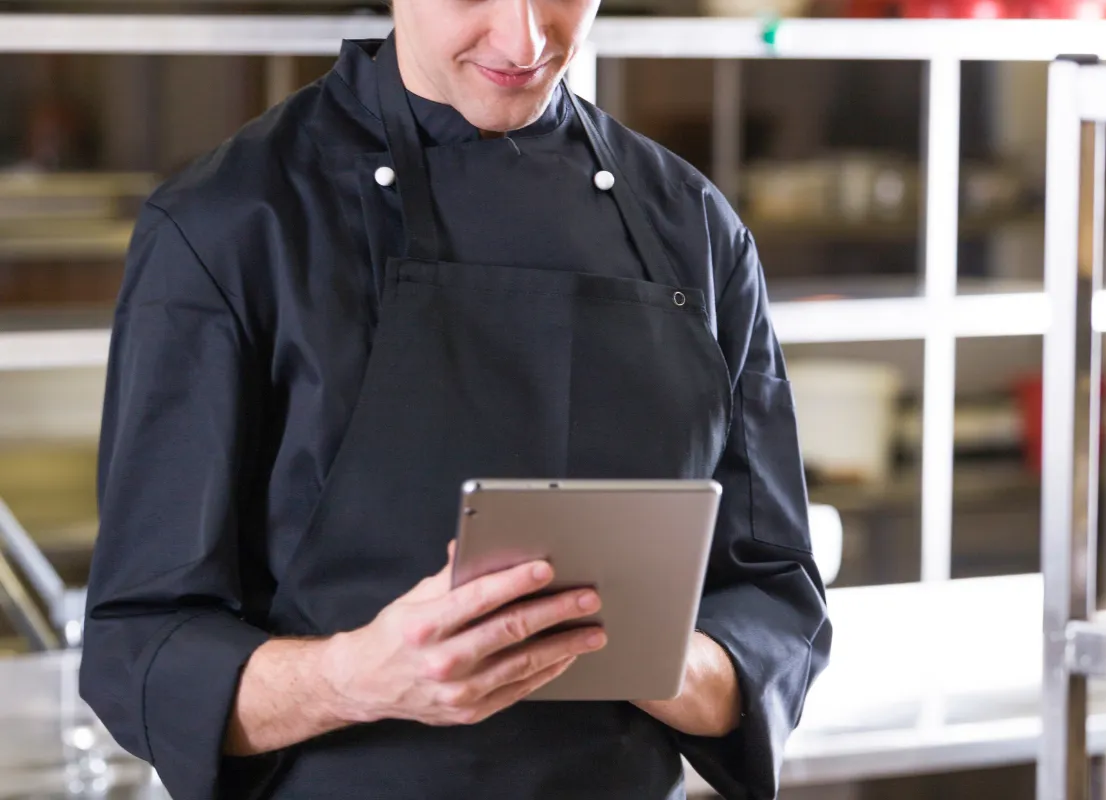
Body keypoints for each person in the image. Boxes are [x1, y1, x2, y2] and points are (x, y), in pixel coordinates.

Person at [79, 0, 831, 797]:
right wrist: (351, 677)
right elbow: (143, 650)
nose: (525, 38)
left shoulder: (697, 230)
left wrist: (637, 648)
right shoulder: (227, 225)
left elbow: (775, 603)